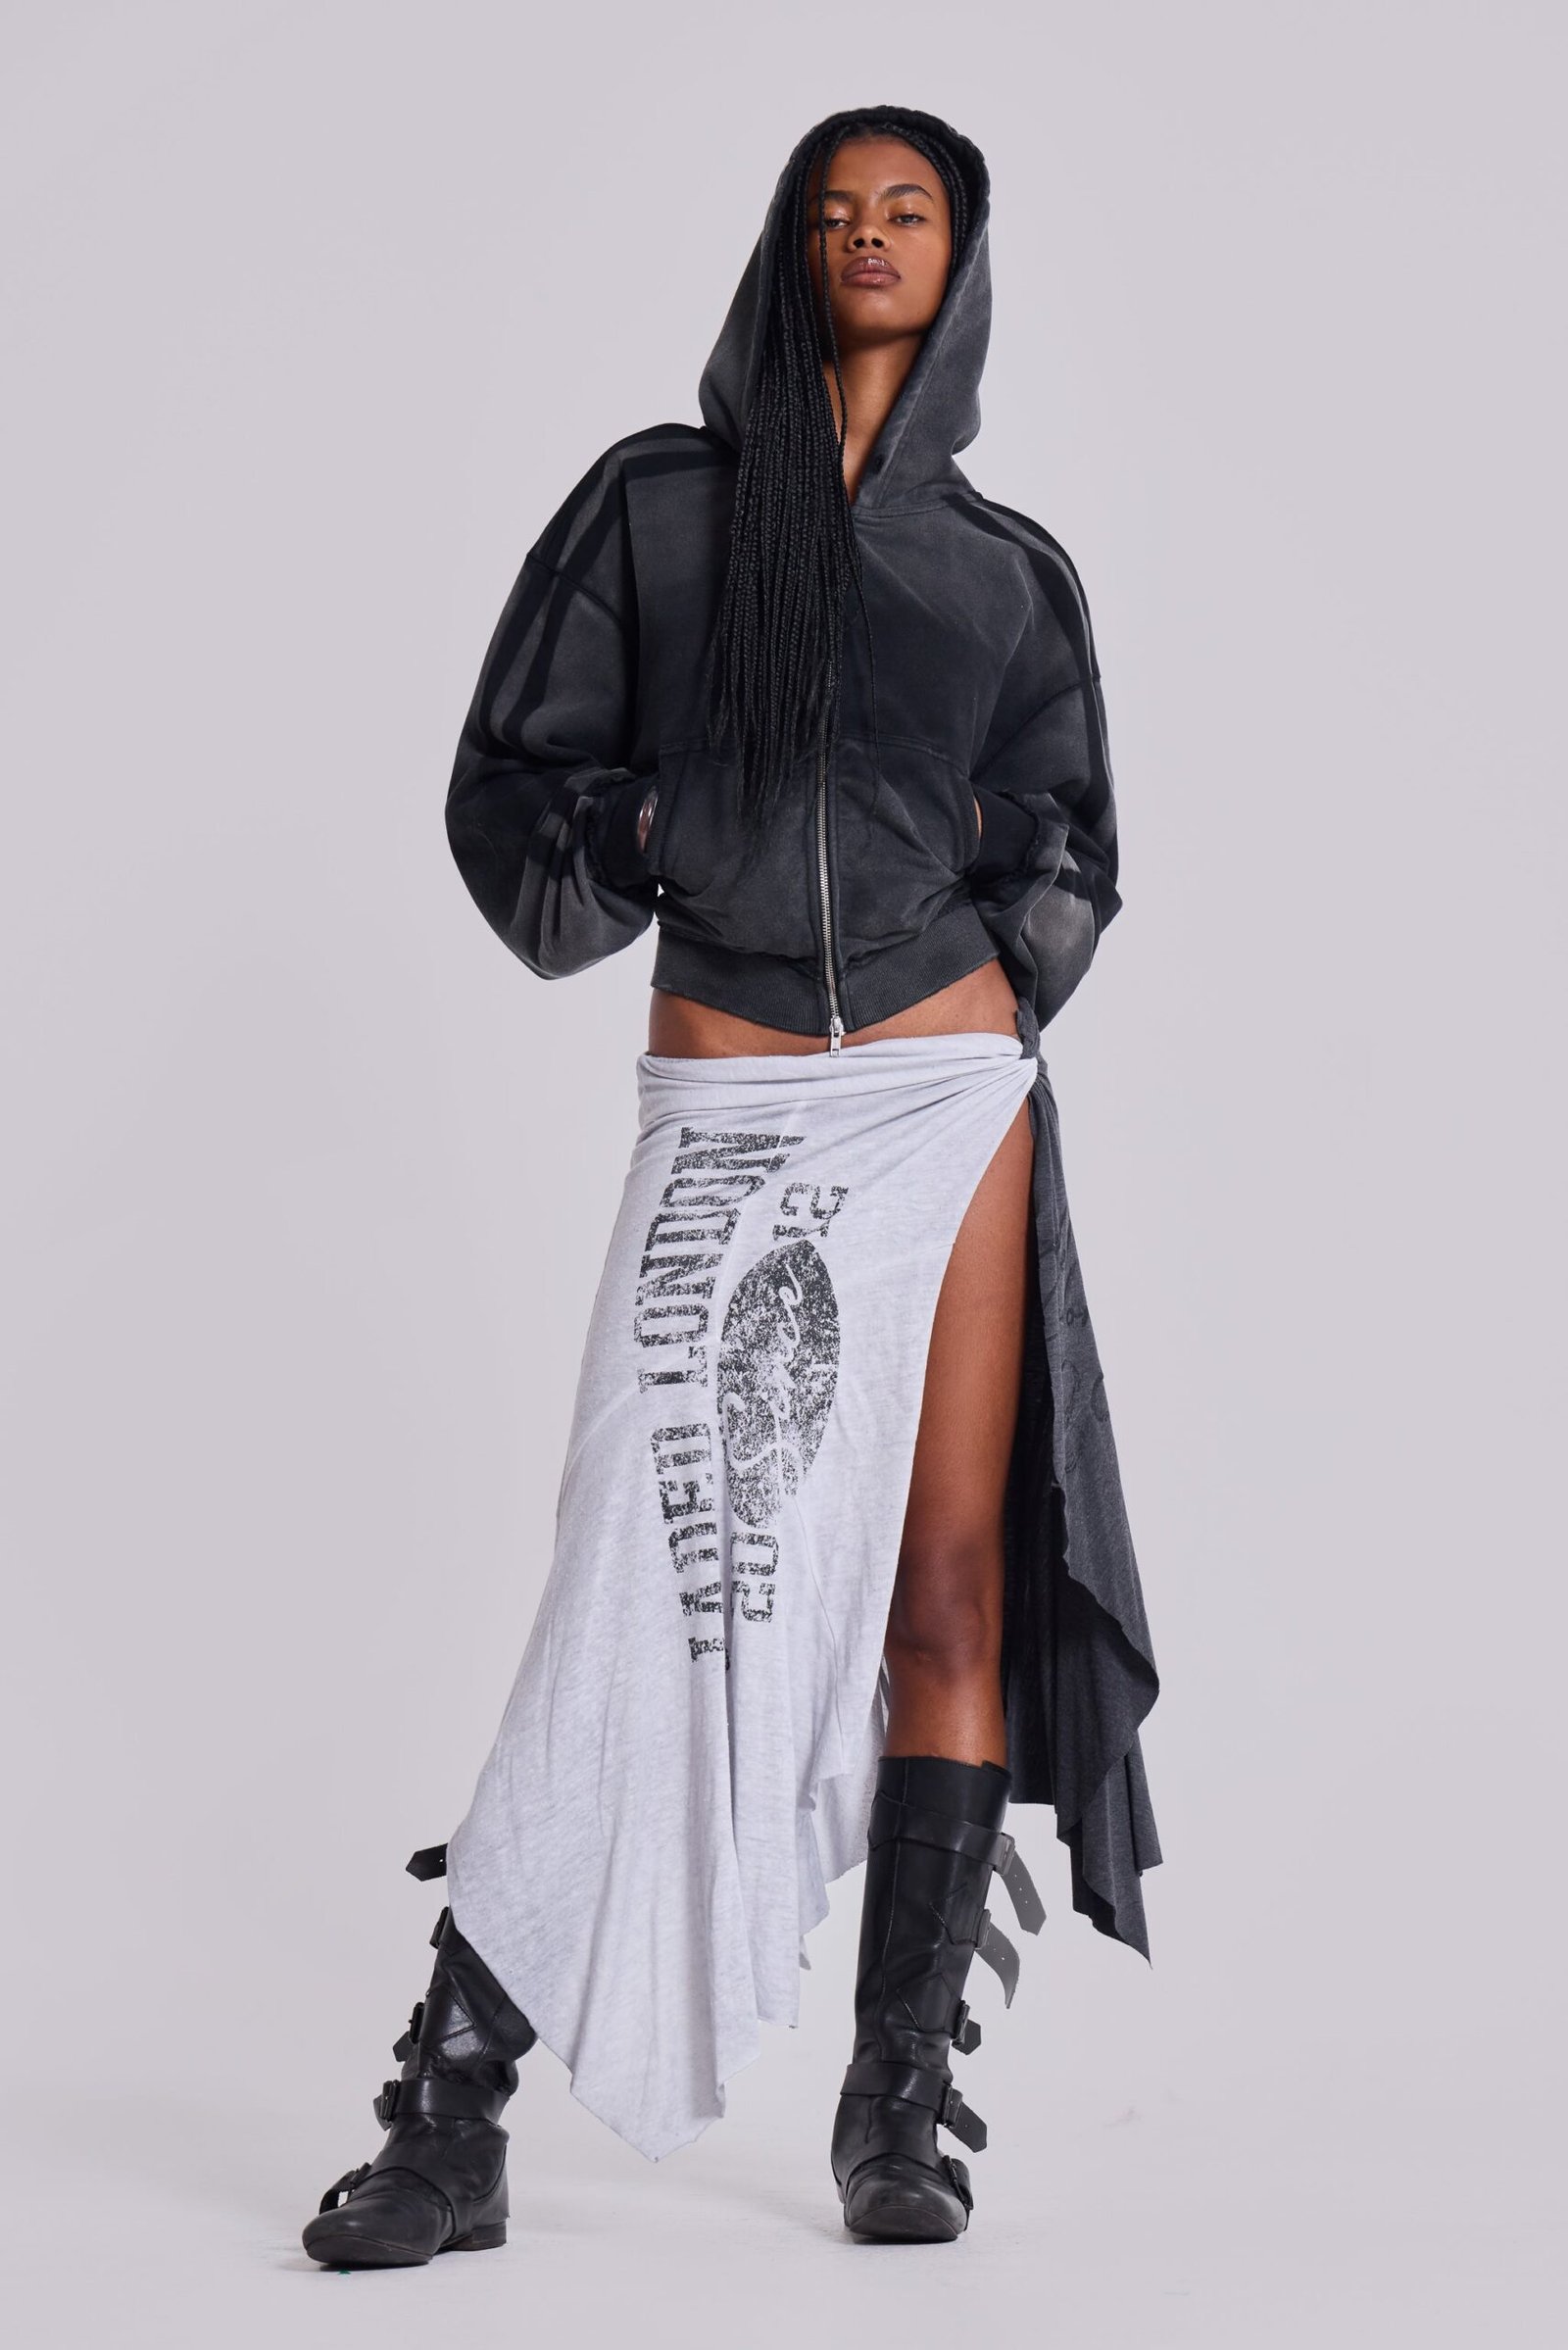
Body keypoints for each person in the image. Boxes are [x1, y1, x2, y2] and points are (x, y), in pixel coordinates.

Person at [302, 102, 1160, 2266]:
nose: (869, 237)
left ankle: (897, 2105)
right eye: (833, 211)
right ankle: (451, 2113)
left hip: (942, 1104)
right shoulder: (654, 508)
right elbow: (512, 794)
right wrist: (662, 825)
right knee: (636, 1575)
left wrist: (981, 897)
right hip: (725, 1095)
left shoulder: (1007, 573)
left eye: (909, 212)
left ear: (961, 260)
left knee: (945, 1586)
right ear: (788, 247)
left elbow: (1076, 843)